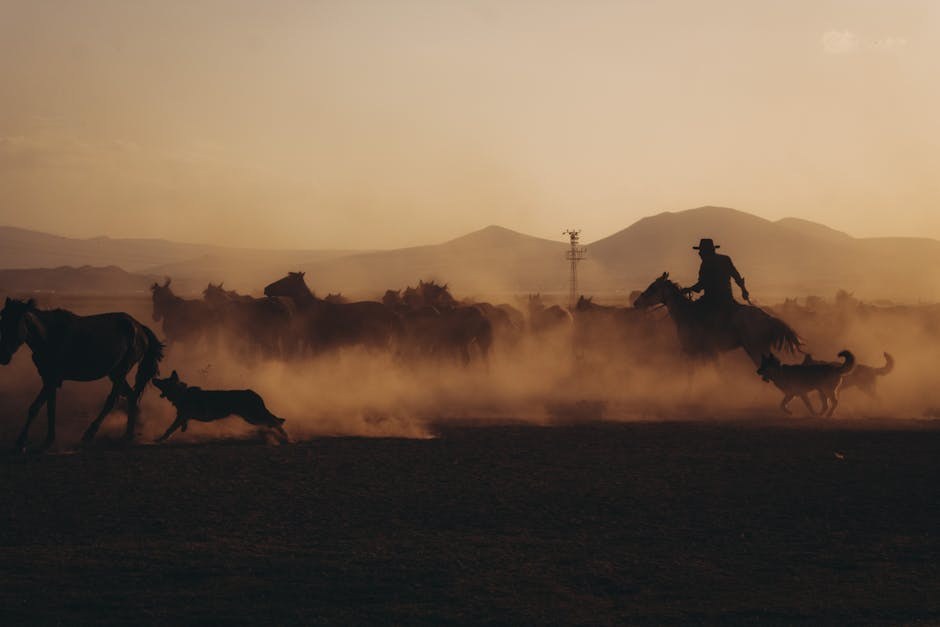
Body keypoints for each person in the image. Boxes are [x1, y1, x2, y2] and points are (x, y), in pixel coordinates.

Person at [682, 238, 749, 309]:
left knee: (691, 310)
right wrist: (743, 290)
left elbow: (701, 285)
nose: (699, 253)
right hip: (728, 299)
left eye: (701, 251)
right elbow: (736, 276)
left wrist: (688, 289)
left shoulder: (705, 264)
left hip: (711, 301)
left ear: (706, 252)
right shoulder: (725, 259)